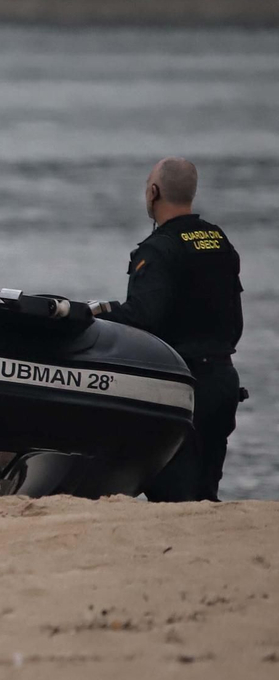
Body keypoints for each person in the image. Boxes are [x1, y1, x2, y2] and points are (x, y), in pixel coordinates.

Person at [90, 157, 244, 501]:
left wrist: (97, 316)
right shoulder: (217, 240)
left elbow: (143, 318)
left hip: (180, 385)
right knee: (206, 492)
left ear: (154, 192)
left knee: (173, 494)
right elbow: (235, 321)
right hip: (222, 381)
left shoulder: (159, 249)